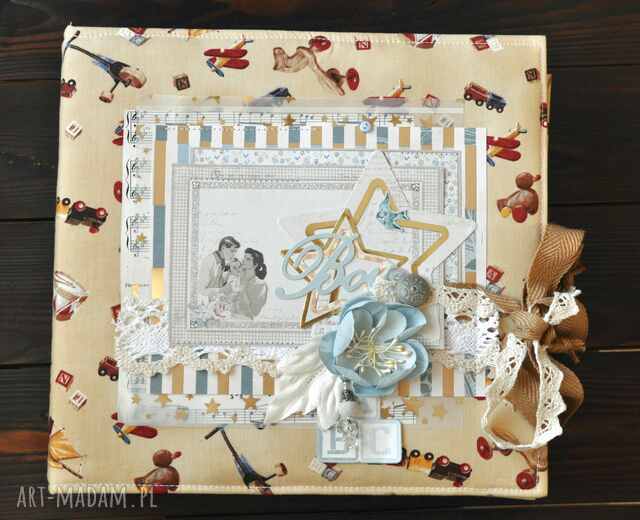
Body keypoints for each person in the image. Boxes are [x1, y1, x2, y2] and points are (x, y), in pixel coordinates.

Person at [233, 248, 268, 320]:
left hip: (245, 320)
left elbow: (254, 312)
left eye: (248, 259)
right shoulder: (237, 278)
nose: (243, 261)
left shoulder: (260, 284)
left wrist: (242, 286)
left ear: (255, 265)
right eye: (244, 257)